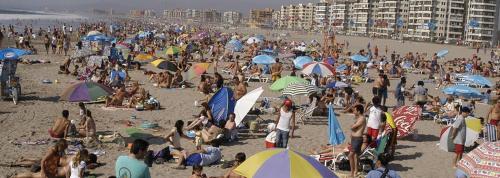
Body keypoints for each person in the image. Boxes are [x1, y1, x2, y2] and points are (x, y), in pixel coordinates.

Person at [348, 105, 366, 177]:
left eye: (355, 110)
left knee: (350, 155)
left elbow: (353, 127)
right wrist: (353, 128)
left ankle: (352, 173)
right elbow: (353, 128)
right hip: (354, 139)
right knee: (355, 156)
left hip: (357, 139)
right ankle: (355, 171)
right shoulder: (358, 118)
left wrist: (353, 127)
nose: (354, 111)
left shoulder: (362, 118)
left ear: (358, 111)